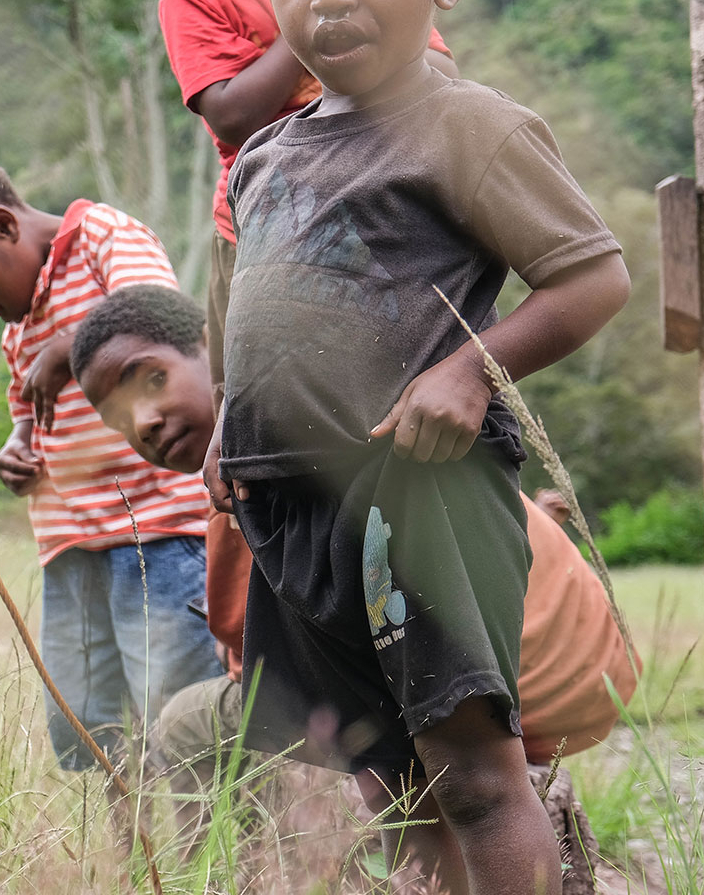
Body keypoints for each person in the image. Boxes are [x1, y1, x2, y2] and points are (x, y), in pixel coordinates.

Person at [211, 0, 632, 894]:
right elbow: (251, 304)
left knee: (476, 778)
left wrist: (467, 370)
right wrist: (228, 428)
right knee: (388, 787)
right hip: (292, 510)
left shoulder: (466, 126)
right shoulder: (264, 154)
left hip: (419, 490)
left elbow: (592, 279)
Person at [71, 285, 638, 887]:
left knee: (188, 720)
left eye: (153, 380)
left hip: (487, 694)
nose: (143, 423)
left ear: (215, 351)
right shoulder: (357, 388)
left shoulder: (252, 479)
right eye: (118, 421)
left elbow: (251, 651)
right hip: (585, 680)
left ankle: (239, 877)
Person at [150, 0, 454, 391]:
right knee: (261, 410)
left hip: (379, 211)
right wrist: (313, 18)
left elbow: (441, 76)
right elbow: (232, 116)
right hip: (258, 239)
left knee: (397, 385)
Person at [0, 157, 217, 770]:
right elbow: (27, 415)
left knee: (181, 714)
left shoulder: (104, 236)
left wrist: (68, 346)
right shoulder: (17, 329)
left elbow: (159, 315)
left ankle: (218, 831)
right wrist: (19, 448)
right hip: (70, 548)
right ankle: (133, 831)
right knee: (88, 724)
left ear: (2, 226)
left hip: (156, 533)